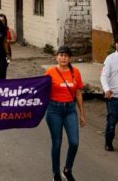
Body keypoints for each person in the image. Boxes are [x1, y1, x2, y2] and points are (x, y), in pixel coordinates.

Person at [45, 46, 85, 181]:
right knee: (57, 143)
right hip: (54, 110)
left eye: (66, 56)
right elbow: (41, 90)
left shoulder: (75, 72)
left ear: (70, 58)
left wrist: (82, 114)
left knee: (74, 142)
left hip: (70, 110)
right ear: (56, 57)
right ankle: (56, 173)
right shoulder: (50, 72)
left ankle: (67, 170)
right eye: (61, 55)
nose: (63, 58)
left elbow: (78, 93)